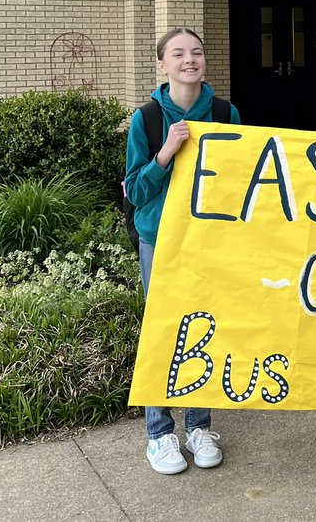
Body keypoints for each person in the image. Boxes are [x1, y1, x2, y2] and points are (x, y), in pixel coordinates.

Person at [124, 27, 242, 475]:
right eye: (178, 54)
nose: (189, 59)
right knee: (163, 329)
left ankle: (199, 427)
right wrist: (166, 152)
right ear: (163, 65)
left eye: (196, 52)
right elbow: (135, 190)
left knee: (205, 328)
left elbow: (240, 181)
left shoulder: (226, 112)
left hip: (208, 238)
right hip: (162, 239)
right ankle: (159, 433)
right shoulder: (148, 119)